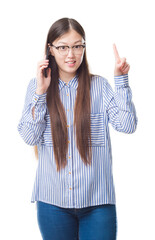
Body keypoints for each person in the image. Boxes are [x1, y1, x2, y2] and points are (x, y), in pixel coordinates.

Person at [17, 17, 137, 240]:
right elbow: (29, 135)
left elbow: (127, 125)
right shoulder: (36, 86)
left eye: (77, 46)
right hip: (52, 204)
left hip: (97, 203)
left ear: (84, 48)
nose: (70, 54)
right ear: (50, 50)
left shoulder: (99, 87)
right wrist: (41, 95)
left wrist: (121, 80)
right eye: (62, 47)